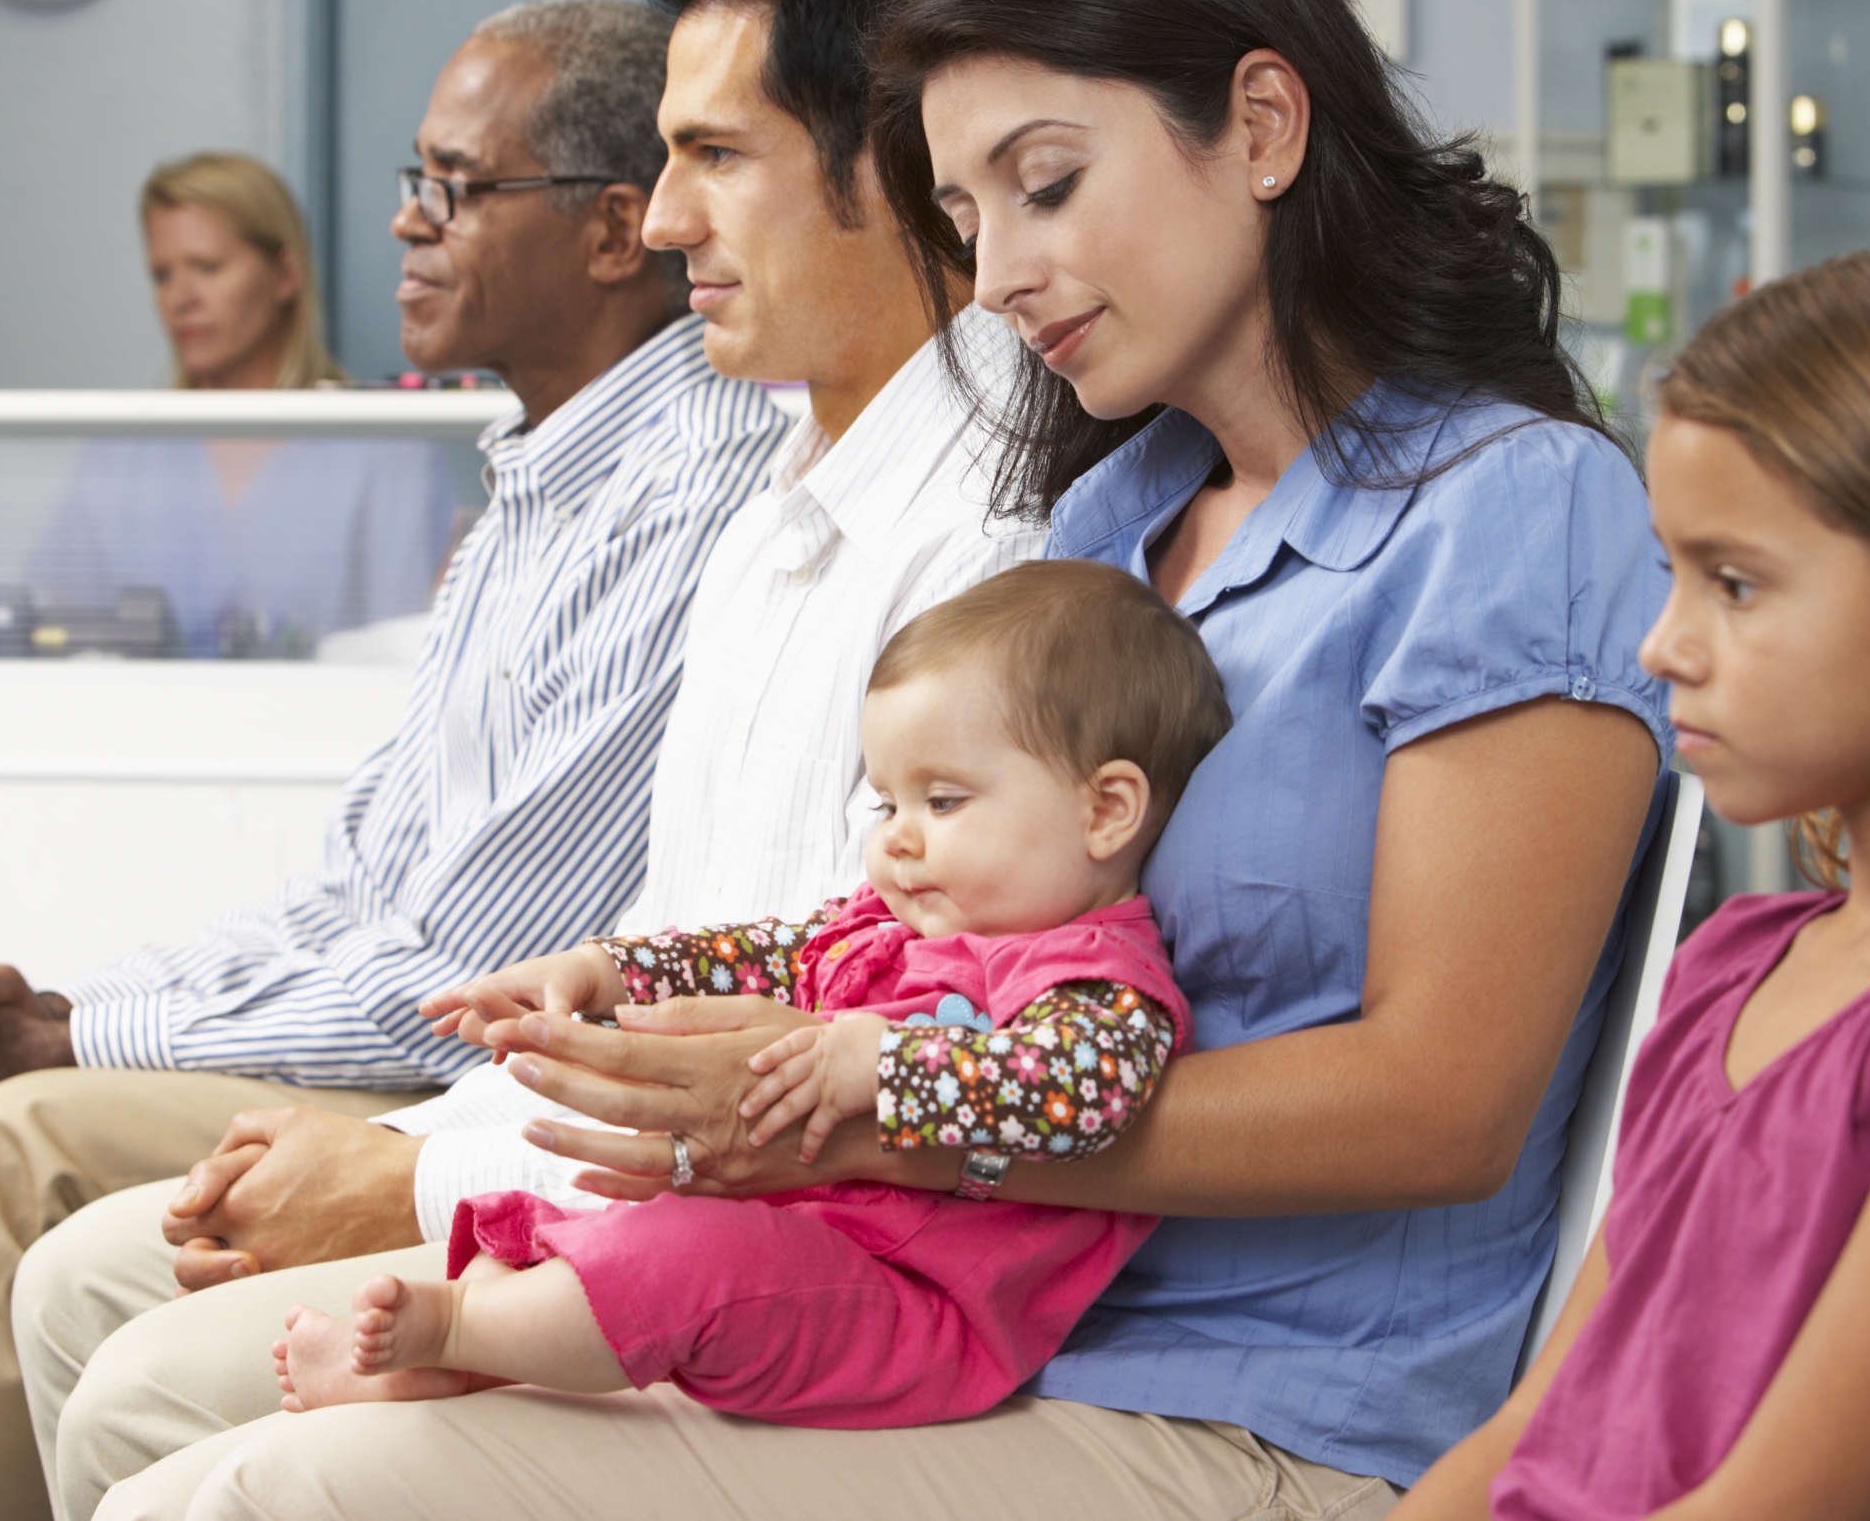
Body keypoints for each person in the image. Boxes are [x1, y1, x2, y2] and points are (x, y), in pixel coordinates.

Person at [94, 0, 1670, 1521]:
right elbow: (912, 923)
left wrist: (857, 1105)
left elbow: (1442, 1104)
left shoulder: (1513, 511)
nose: (996, 276)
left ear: (1264, 126)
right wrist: (665, 998)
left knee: (258, 1491)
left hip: (1250, 1407)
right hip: (958, 1311)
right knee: (177, 1422)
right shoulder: (1113, 521)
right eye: (969, 215)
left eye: (1046, 186)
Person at [23, 0, 1040, 1521]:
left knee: (136, 1372)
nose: (661, 224)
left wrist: (408, 1170)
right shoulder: (786, 492)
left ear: (893, 160)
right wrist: (424, 1137)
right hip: (625, 1167)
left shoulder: (994, 539)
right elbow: (648, 961)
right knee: (82, 1283)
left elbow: (802, 1058)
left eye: (719, 158)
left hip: (787, 1250)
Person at [0, 0, 787, 1521]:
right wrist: (51, 1007)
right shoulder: (533, 484)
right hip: (404, 1029)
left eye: (451, 185)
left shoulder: (681, 489)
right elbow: (352, 885)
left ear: (610, 230)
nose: (404, 220)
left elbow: (457, 976)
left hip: (457, 1074)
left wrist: (68, 1040)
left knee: (7, 1139)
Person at [1398, 241, 1870, 1520]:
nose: (1663, 646)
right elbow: (1531, 1432)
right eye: (1672, 574)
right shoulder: (1735, 963)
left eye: (1736, 585)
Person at [261, 559, 1225, 1431]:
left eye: (944, 801)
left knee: (682, 1259)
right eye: (886, 803)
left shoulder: (1095, 976)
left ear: (1106, 810)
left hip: (916, 1305)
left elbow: (1084, 1093)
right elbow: (759, 953)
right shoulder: (897, 927)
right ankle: (466, 1359)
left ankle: (460, 1331)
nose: (896, 837)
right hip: (809, 1235)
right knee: (611, 1220)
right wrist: (609, 971)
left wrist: (878, 1066)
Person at [24, 153, 459, 661]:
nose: (181, 298)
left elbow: (408, 664)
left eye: (207, 268)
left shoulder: (384, 453)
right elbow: (59, 634)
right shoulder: (121, 457)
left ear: (284, 276)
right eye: (162, 275)